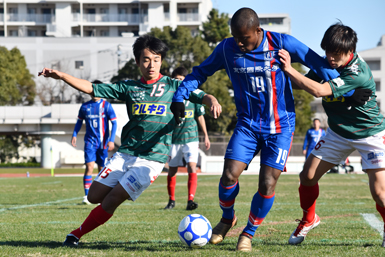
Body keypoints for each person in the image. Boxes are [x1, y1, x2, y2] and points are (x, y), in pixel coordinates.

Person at [170, 7, 349, 252]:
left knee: (267, 184)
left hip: (280, 127)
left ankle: (248, 232)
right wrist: (180, 96)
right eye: (236, 38)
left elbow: (316, 63)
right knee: (228, 176)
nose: (240, 43)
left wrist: (344, 87)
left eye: (245, 38)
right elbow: (201, 72)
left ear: (258, 31)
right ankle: (227, 218)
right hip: (247, 126)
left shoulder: (282, 43)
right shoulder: (226, 48)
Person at [38, 34, 222, 247]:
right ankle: (85, 224)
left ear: (161, 60)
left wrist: (213, 101)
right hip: (125, 154)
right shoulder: (129, 88)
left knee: (113, 198)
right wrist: (62, 76)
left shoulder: (175, 86)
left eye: (156, 59)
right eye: (145, 59)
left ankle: (75, 235)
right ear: (137, 61)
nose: (151, 64)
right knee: (94, 196)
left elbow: (202, 95)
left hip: (152, 159)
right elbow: (91, 87)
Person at [278, 22, 385, 247]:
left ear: (350, 52)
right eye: (327, 52)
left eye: (336, 55)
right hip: (338, 132)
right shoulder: (328, 63)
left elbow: (318, 90)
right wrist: (277, 72)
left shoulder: (358, 72)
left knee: (380, 193)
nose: (331, 59)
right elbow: (305, 83)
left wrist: (290, 69)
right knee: (307, 177)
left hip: (370, 134)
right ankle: (309, 219)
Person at [164, 67, 211, 211]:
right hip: (174, 139)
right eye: (177, 79)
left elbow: (200, 116)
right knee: (172, 170)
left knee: (192, 166)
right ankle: (171, 200)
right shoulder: (169, 98)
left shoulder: (193, 96)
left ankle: (190, 200)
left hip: (191, 138)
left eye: (182, 79)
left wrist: (206, 136)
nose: (179, 82)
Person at [72, 80, 117, 205]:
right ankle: (87, 196)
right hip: (90, 142)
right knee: (89, 167)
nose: (95, 92)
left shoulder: (106, 106)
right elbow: (79, 122)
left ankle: (100, 197)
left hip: (103, 143)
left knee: (102, 170)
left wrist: (111, 140)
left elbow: (114, 123)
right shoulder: (85, 107)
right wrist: (74, 134)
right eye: (93, 89)